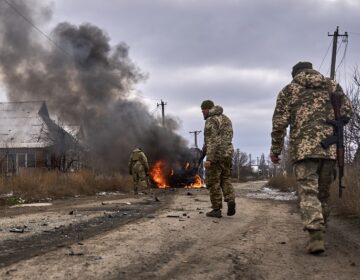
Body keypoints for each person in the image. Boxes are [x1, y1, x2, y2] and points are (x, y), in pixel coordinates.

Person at [270, 61, 353, 254]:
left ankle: (316, 236)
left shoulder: (289, 90)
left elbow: (279, 124)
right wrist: (333, 124)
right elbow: (347, 112)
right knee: (322, 193)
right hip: (330, 150)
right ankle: (321, 229)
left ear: (295, 74)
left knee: (309, 192)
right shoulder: (332, 85)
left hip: (304, 151)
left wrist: (276, 150)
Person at [201, 100, 236, 218]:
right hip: (228, 154)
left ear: (208, 109)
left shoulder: (211, 120)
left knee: (213, 182)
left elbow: (212, 141)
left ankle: (216, 209)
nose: (202, 112)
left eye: (203, 110)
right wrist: (203, 150)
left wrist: (209, 159)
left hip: (216, 156)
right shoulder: (226, 119)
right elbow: (227, 137)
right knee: (225, 179)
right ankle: (230, 199)